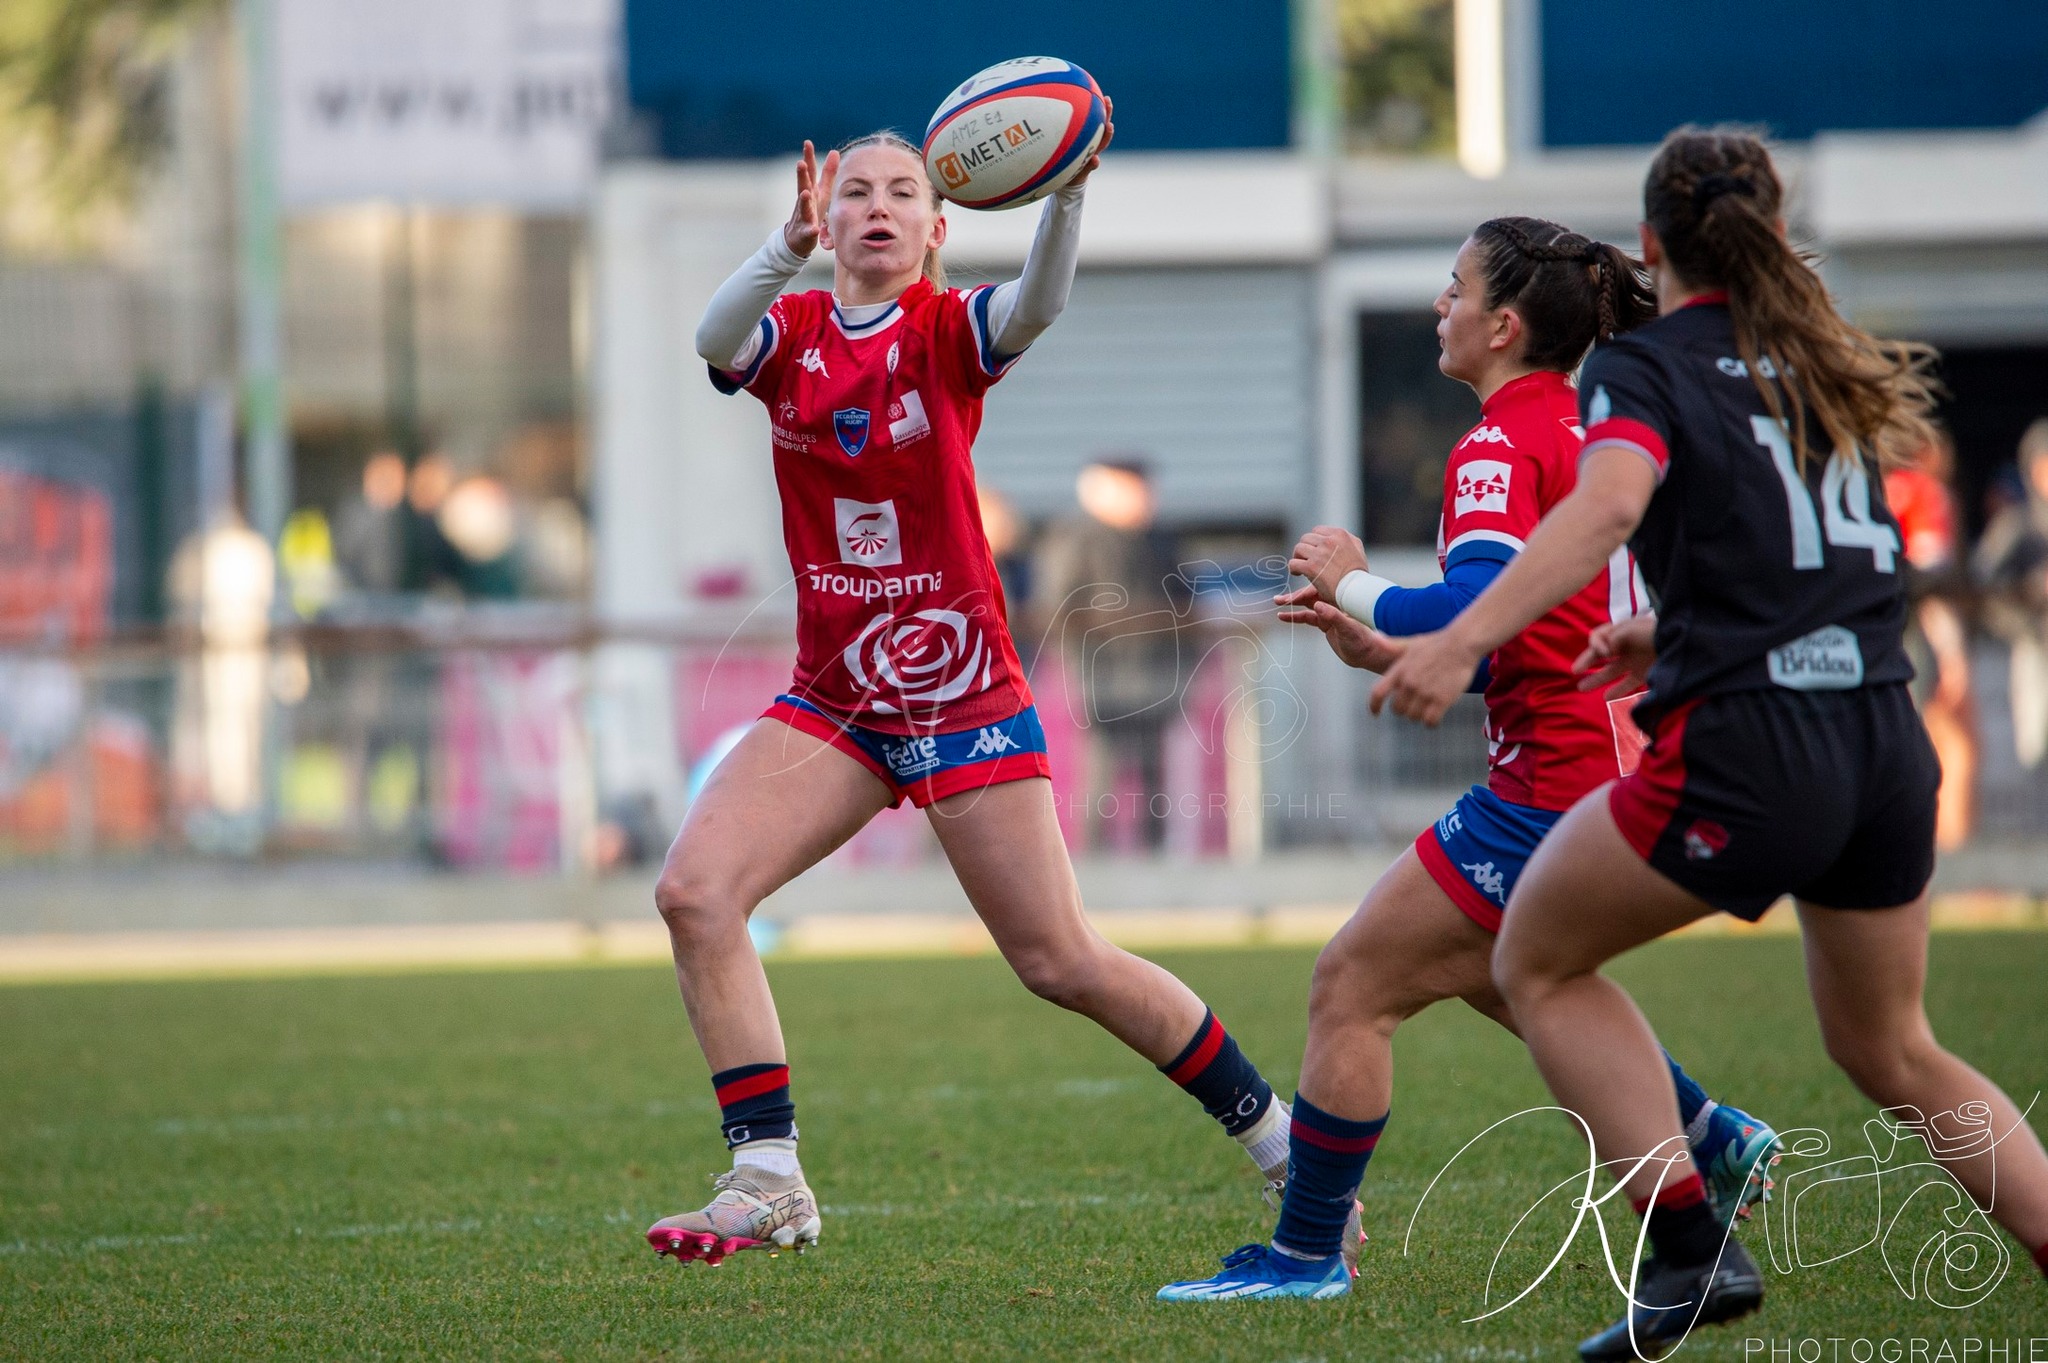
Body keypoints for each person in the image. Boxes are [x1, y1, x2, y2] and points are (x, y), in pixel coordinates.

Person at [1370, 128, 2048, 1358]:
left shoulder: (1642, 366)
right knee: (1891, 1045)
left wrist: (1460, 637)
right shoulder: (1815, 356)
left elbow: (1606, 508)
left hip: (1755, 745)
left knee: (1534, 962)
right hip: (1881, 738)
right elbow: (1812, 546)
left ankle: (1688, 1243)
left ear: (1649, 245)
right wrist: (1666, 628)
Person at [646, 119, 1350, 1269]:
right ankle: (766, 1176)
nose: (875, 205)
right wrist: (776, 249)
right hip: (835, 699)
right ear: (823, 220)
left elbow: (1035, 306)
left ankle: (1284, 1149)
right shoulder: (794, 331)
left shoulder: (942, 326)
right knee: (693, 893)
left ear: (936, 227)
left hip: (963, 697)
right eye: (853, 191)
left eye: (901, 192)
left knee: (1060, 961)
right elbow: (710, 337)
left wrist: (1065, 198)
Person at [1157, 217, 1777, 1303]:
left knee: (1352, 983)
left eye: (1452, 290)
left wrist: (1352, 580)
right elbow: (1522, 641)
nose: (1437, 307)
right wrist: (1382, 646)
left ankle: (1304, 1255)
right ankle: (1704, 1133)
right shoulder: (1592, 423)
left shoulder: (1500, 441)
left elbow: (1473, 605)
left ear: (1500, 325)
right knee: (1509, 975)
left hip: (1552, 784)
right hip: (1600, 763)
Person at [1032, 457, 1183, 849]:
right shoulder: (1076, 538)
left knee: (1154, 780)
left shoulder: (1162, 541)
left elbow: (1187, 608)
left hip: (1156, 681)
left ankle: (1156, 862)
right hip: (1101, 684)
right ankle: (1094, 864)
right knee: (1101, 777)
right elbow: (1058, 610)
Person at [1886, 434, 1978, 849]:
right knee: (1950, 743)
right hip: (1910, 633)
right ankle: (1946, 856)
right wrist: (1953, 654)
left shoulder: (1870, 489)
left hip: (1868, 632)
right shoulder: (1924, 492)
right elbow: (1930, 582)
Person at [1972, 418, 2048, 771]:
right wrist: (2027, 604)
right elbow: (1981, 586)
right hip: (2032, 646)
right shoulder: (2017, 525)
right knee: (2035, 749)